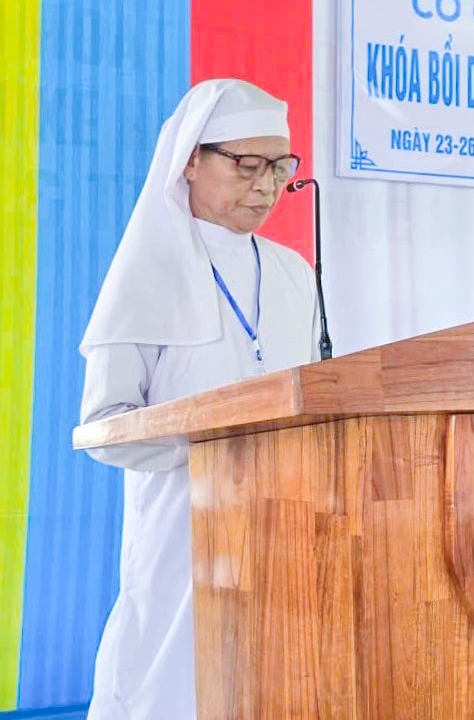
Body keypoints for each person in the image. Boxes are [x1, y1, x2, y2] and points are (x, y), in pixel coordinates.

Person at [79, 78, 320, 720]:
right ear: (191, 160)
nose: (267, 185)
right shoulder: (147, 269)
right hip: (181, 534)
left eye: (281, 167)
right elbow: (103, 426)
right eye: (247, 164)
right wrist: (216, 440)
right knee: (173, 686)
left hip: (287, 526)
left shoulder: (296, 273)